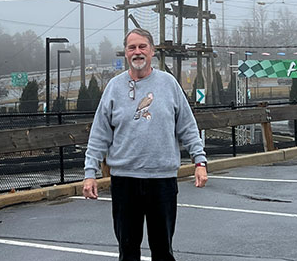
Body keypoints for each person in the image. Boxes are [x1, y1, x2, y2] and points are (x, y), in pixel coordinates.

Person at [83, 28, 208, 261]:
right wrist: (90, 173)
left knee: (162, 250)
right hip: (125, 182)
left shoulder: (168, 84)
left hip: (162, 181)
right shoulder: (113, 87)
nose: (137, 52)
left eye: (142, 47)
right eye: (132, 47)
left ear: (152, 52)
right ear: (126, 53)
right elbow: (99, 134)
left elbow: (188, 128)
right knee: (128, 251)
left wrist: (199, 161)